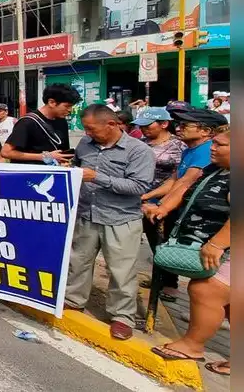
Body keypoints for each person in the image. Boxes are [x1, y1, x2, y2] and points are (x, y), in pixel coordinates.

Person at [66, 105, 155, 340]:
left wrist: (98, 177)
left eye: (91, 129)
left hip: (120, 218)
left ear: (112, 124)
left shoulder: (139, 151)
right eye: (85, 129)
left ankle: (122, 316)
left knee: (121, 271)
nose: (87, 133)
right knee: (78, 262)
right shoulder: (86, 144)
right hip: (87, 213)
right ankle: (73, 300)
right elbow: (77, 167)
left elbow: (139, 186)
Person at [148, 128, 230, 376]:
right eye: (213, 143)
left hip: (228, 249)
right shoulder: (215, 169)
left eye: (220, 145)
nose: (212, 148)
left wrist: (216, 244)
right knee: (231, 302)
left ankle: (192, 345)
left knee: (206, 289)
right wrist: (163, 208)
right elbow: (184, 187)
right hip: (214, 245)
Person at [133, 107, 186, 299]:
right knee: (150, 240)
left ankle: (170, 283)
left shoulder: (179, 146)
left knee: (164, 242)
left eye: (148, 125)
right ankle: (158, 278)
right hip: (140, 199)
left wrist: (161, 200)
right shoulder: (139, 143)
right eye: (141, 126)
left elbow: (180, 178)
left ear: (164, 124)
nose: (144, 129)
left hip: (166, 201)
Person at [2, 84, 81, 166]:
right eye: (67, 106)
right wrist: (44, 156)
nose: (70, 110)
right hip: (31, 172)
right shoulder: (27, 122)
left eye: (71, 106)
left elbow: (62, 152)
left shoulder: (62, 121)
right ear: (51, 102)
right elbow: (6, 152)